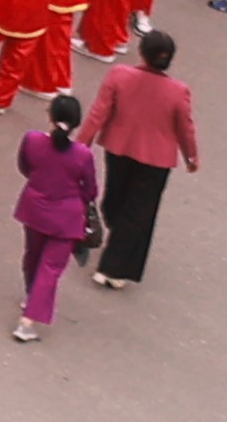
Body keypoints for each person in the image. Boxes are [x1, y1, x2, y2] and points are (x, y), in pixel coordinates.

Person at [81, 27, 198, 289]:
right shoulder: (178, 91)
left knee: (114, 200)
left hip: (119, 147)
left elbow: (99, 112)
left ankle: (112, 264)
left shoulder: (120, 75)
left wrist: (82, 143)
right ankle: (120, 264)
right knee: (139, 211)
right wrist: (190, 155)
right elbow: (185, 127)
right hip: (157, 159)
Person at [11, 95, 99, 338]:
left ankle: (31, 296)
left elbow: (25, 167)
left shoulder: (32, 140)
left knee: (33, 256)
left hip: (34, 208)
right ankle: (27, 321)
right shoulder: (82, 155)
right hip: (66, 219)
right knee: (50, 268)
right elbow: (91, 189)